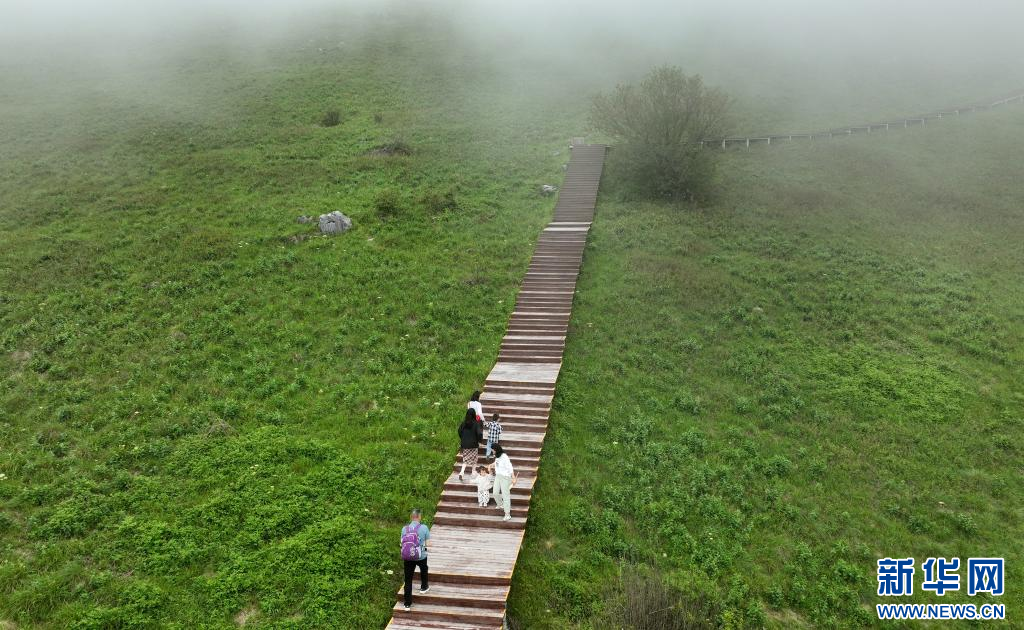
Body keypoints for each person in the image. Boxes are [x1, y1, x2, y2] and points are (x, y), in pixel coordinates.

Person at [400, 508, 430, 611]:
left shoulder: (404, 529)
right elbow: (428, 544)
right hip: (420, 556)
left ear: (411, 517)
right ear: (419, 517)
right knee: (424, 568)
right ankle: (424, 587)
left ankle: (407, 604)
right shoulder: (424, 527)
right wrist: (425, 548)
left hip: (408, 557)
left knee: (408, 580)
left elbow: (402, 543)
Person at [491, 445, 518, 521]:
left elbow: (510, 467)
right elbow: (496, 462)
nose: (492, 451)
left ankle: (507, 514)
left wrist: (513, 478)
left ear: (497, 449)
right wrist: (491, 465)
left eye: (493, 450)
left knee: (505, 495)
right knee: (495, 493)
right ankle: (500, 504)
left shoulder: (504, 457)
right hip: (498, 476)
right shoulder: (497, 455)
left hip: (505, 477)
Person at [457, 408, 482, 481]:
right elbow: (479, 433)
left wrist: (463, 438)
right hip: (473, 445)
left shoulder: (463, 423)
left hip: (465, 445)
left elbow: (459, 431)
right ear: (474, 414)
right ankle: (473, 472)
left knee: (465, 460)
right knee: (474, 459)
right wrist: (479, 440)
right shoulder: (476, 423)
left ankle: (461, 472)